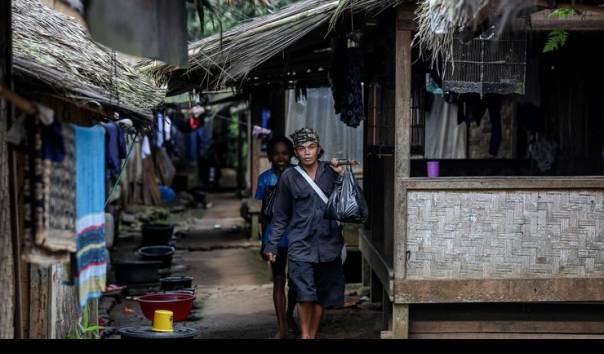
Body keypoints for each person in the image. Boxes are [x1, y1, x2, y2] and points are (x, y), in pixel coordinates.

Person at [264, 128, 346, 339]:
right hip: (300, 244)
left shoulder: (331, 172)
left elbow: (349, 202)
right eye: (301, 148)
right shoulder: (289, 177)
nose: (307, 152)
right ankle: (305, 335)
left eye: (311, 147)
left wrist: (343, 176)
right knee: (304, 294)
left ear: (318, 149)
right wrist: (272, 245)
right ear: (296, 152)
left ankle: (311, 334)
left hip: (329, 244)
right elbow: (280, 215)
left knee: (320, 296)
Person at [255, 136, 298, 339]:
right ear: (270, 156)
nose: (280, 157)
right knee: (279, 280)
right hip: (275, 237)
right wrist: (264, 242)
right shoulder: (265, 179)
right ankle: (281, 326)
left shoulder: (299, 176)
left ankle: (290, 315)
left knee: (297, 281)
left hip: (298, 236)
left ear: (291, 155)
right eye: (276, 153)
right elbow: (263, 214)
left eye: (285, 153)